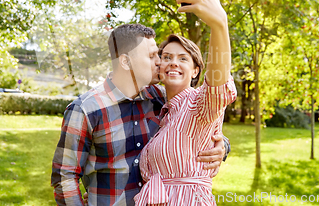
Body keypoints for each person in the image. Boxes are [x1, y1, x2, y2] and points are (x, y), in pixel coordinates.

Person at [51, 23, 230, 206]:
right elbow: (65, 176)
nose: (160, 62)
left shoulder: (160, 99)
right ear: (126, 61)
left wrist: (221, 146)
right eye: (152, 56)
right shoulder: (85, 109)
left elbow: (194, 126)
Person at [133, 0, 236, 206]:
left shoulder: (199, 104)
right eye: (167, 57)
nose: (173, 63)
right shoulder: (160, 109)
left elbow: (217, 83)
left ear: (196, 70)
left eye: (182, 59)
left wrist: (219, 24)